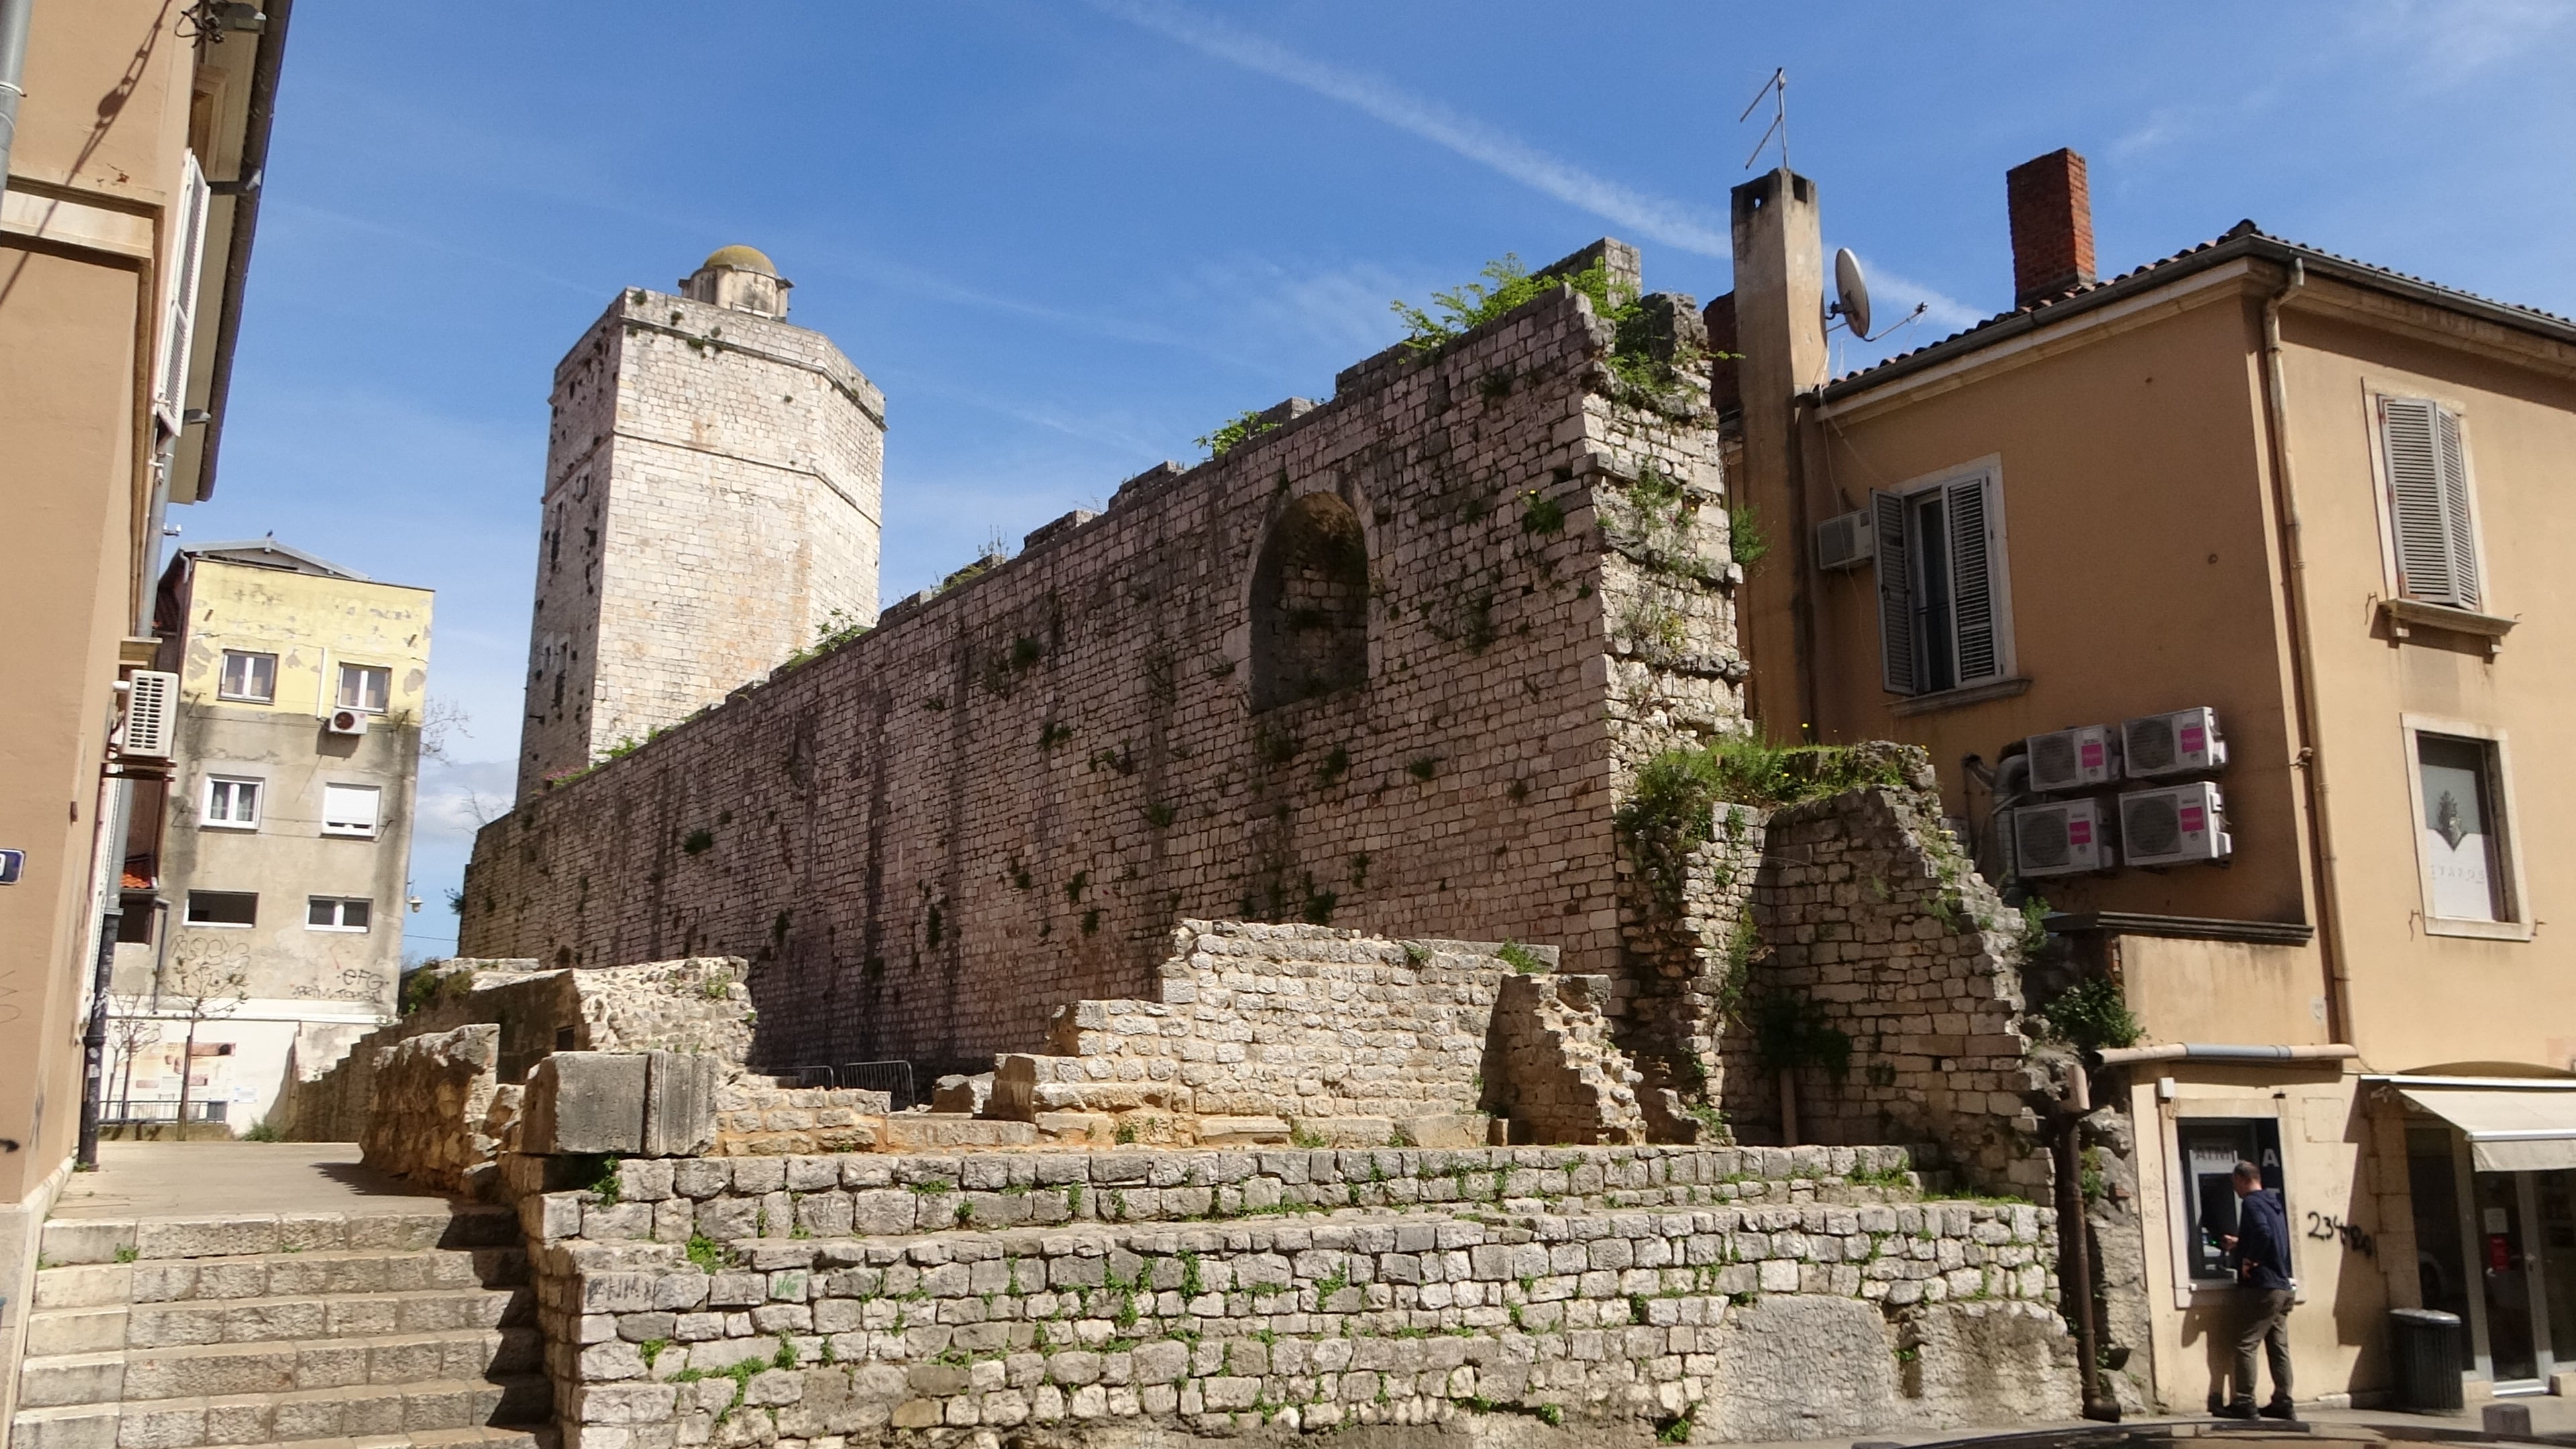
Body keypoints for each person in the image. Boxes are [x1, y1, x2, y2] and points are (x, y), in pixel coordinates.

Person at [2218, 1160, 2296, 1419]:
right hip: (2283, 1285)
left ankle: (2244, 1401)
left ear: (2241, 1179)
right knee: (2278, 1345)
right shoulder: (2273, 1203)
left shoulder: (2251, 1203)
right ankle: (2283, 1401)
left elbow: (2262, 1234)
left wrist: (2250, 1260)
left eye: (2235, 1184)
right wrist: (2241, 1244)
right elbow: (2271, 1237)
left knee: (2246, 1344)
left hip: (2263, 1286)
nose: (2236, 1190)